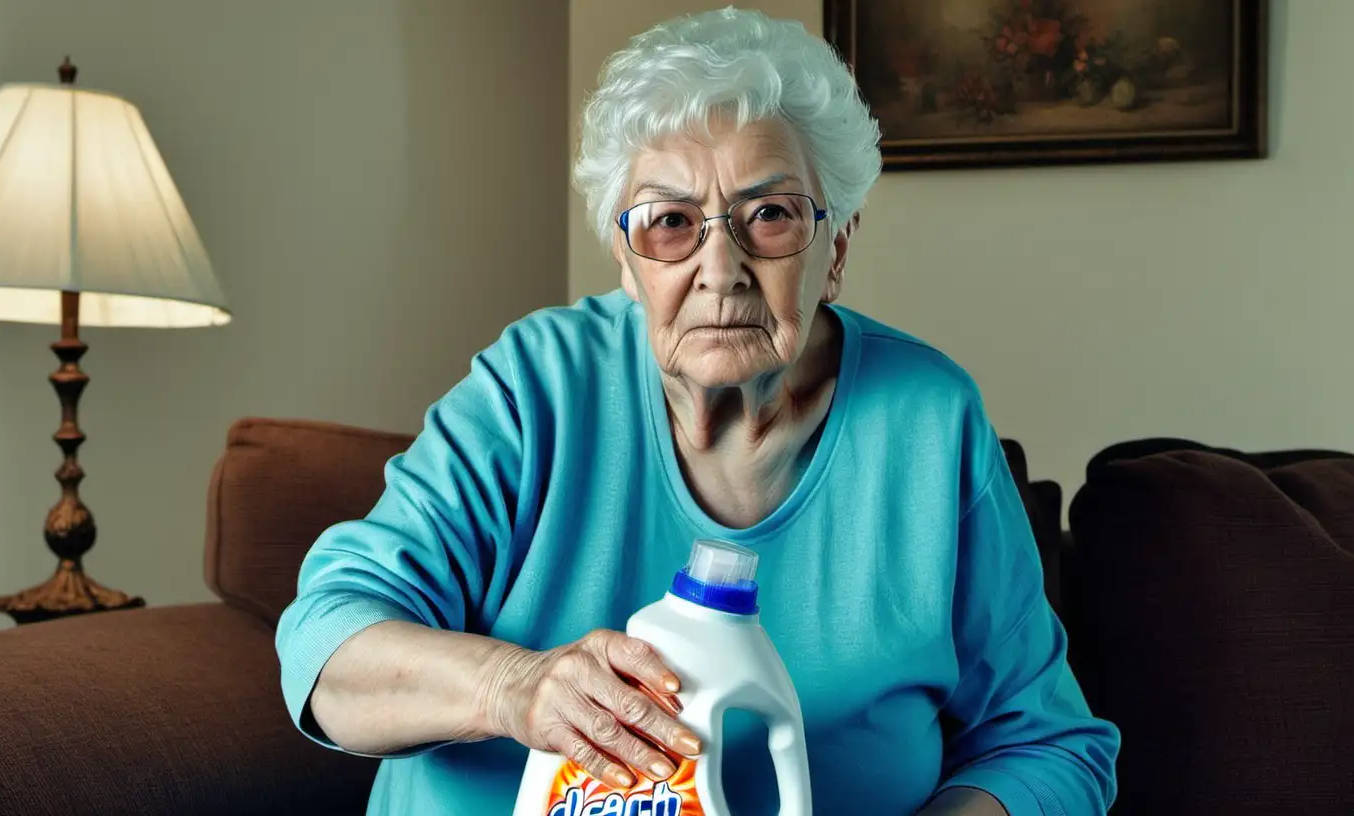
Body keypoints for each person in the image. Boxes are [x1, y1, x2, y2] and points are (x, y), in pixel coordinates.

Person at [275, 8, 1119, 815]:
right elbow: (327, 642)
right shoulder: (535, 388)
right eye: (671, 222)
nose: (722, 269)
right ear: (626, 255)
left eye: (770, 216)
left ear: (837, 247)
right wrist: (514, 689)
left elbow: (1047, 746)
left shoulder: (927, 423)